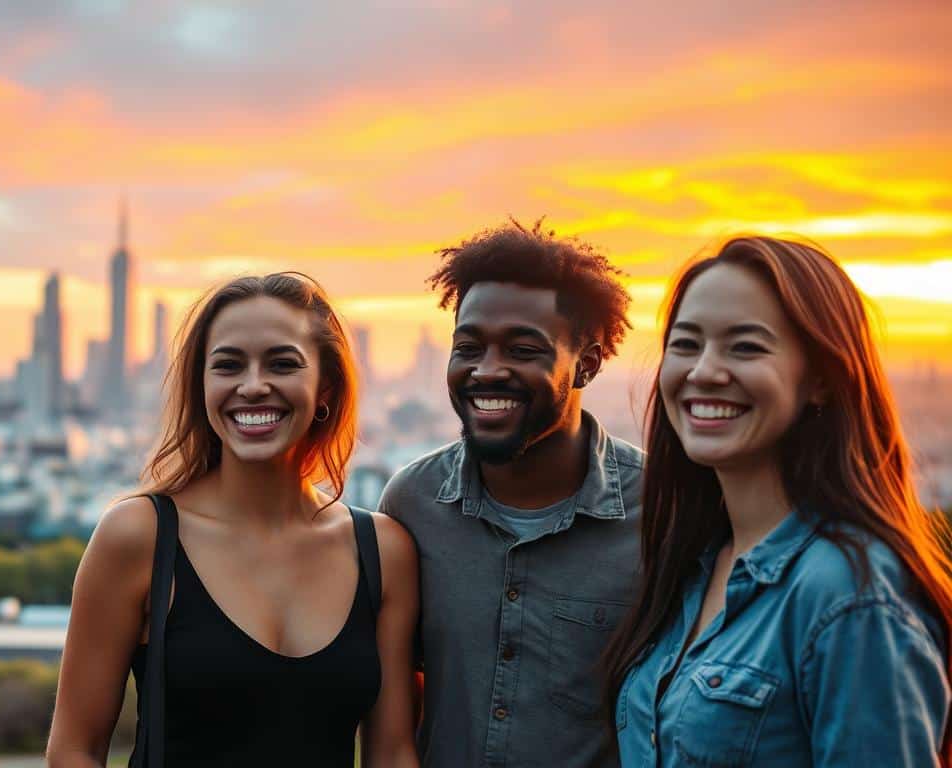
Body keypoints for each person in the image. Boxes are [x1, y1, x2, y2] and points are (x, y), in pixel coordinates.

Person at [603, 236, 952, 766]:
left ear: (819, 380)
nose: (704, 371)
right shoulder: (690, 568)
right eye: (686, 344)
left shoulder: (849, 595)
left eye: (745, 346)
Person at [46, 273, 420, 767]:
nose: (253, 386)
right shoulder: (141, 536)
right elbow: (73, 751)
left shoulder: (382, 551)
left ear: (325, 385)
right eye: (228, 365)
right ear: (202, 384)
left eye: (282, 363)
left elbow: (392, 753)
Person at [378, 219, 642, 767]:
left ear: (586, 365)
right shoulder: (412, 505)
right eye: (469, 347)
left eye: (523, 350)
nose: (487, 371)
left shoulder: (659, 510)